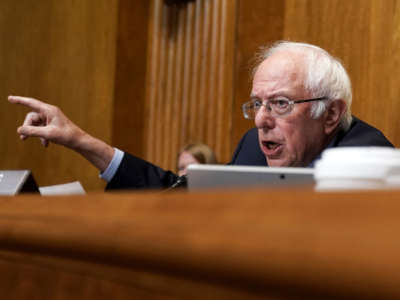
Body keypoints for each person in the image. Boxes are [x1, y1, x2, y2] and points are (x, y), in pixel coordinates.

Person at [8, 41, 393, 190]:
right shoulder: (253, 149)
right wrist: (81, 140)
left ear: (331, 115)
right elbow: (178, 197)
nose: (261, 120)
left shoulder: (370, 161)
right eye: (257, 104)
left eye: (280, 103)